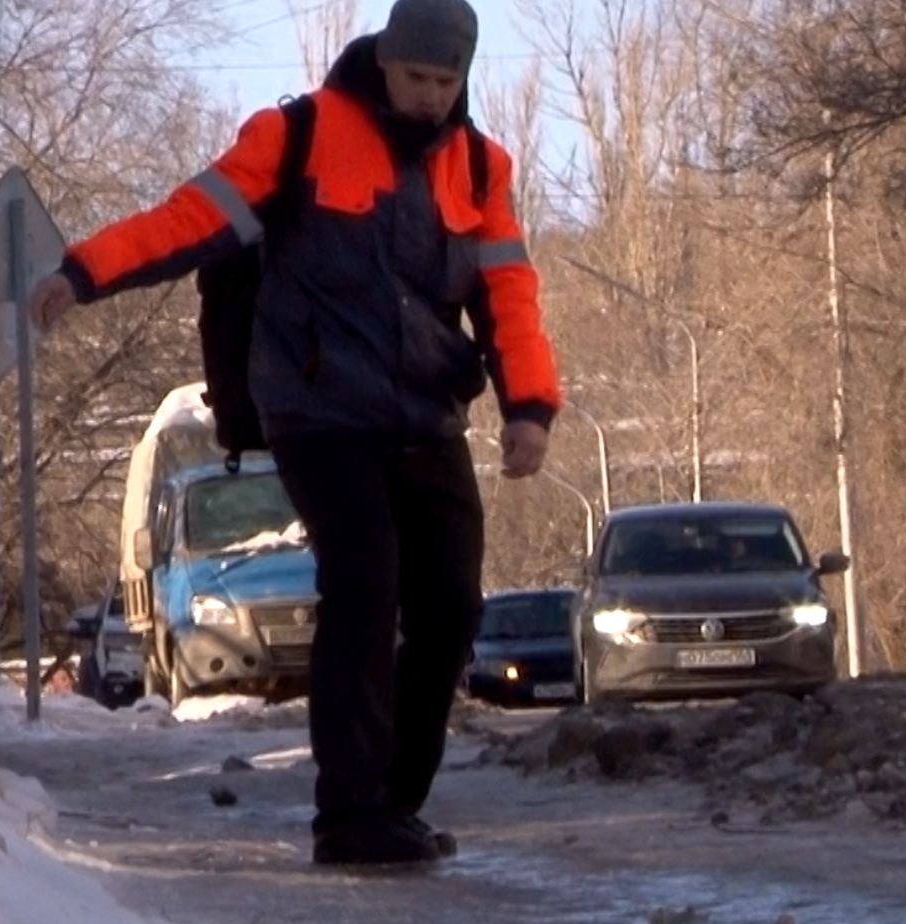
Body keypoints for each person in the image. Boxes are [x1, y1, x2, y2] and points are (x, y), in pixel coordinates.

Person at [32, 0, 562, 865]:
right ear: (386, 61)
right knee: (364, 581)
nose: (431, 96)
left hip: (424, 411)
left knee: (451, 604)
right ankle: (348, 814)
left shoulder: (478, 168)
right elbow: (187, 221)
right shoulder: (301, 135)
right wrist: (82, 271)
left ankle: (394, 800)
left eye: (447, 81)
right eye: (417, 76)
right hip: (318, 408)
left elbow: (508, 296)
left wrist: (529, 408)